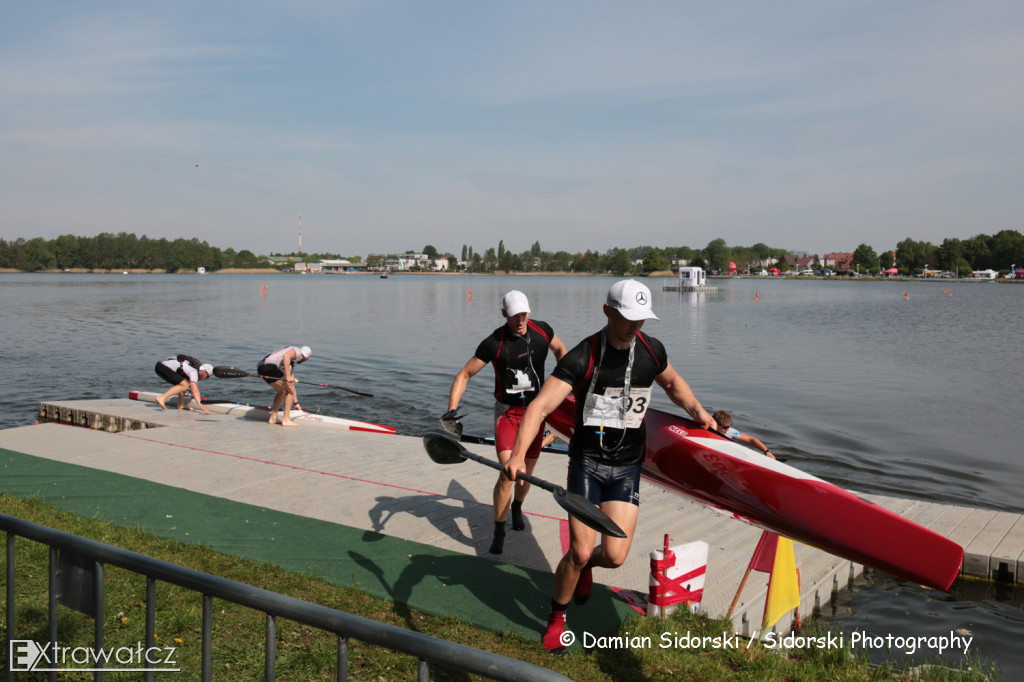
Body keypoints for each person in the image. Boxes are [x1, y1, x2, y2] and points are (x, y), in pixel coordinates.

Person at [502, 279, 717, 653]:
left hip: (627, 468)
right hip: (586, 464)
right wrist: (519, 455)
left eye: (642, 318)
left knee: (614, 557)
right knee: (581, 551)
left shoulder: (652, 350)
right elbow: (539, 407)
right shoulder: (583, 356)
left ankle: (585, 569)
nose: (637, 326)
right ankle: (557, 618)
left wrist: (700, 414)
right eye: (629, 318)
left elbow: (673, 384)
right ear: (608, 312)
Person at [443, 290, 567, 554]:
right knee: (509, 473)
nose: (520, 320)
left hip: (536, 414)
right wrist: (452, 410)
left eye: (523, 314)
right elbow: (464, 375)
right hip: (507, 415)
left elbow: (561, 351)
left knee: (526, 477)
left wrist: (564, 387)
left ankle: (517, 508)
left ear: (529, 312)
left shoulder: (543, 331)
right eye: (513, 316)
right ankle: (499, 529)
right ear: (504, 315)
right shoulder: (494, 343)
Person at [258, 346, 312, 427]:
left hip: (262, 368)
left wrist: (296, 403)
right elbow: (286, 356)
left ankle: (273, 418)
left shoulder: (290, 362)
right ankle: (286, 420)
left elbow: (291, 384)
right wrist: (288, 376)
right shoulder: (297, 351)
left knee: (283, 391)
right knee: (289, 390)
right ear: (307, 357)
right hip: (269, 366)